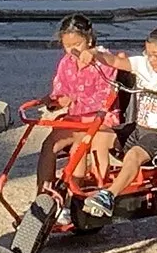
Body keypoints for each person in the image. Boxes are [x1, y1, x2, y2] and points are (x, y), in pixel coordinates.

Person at [81, 25, 157, 220]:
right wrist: (93, 53)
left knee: (134, 155)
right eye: (148, 53)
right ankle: (98, 184)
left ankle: (108, 196)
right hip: (138, 127)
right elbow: (114, 61)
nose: (150, 59)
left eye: (156, 55)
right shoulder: (142, 64)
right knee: (99, 134)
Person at [38, 14, 124, 196]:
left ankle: (75, 195)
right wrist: (53, 101)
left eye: (77, 45)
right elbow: (60, 90)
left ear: (89, 39)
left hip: (100, 120)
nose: (71, 51)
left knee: (80, 148)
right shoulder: (66, 63)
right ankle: (43, 195)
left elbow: (105, 96)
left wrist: (74, 99)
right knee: (49, 144)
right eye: (67, 46)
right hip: (75, 119)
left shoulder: (104, 61)